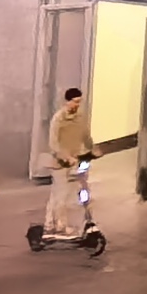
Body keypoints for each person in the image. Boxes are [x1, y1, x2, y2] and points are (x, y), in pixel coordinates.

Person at [44, 85, 91, 244]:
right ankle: (60, 226)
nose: (77, 105)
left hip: (74, 160)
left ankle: (49, 224)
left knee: (58, 195)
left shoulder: (80, 118)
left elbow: (85, 136)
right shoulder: (58, 119)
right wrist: (65, 156)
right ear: (67, 101)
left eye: (79, 102)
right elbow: (53, 143)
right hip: (60, 163)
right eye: (75, 102)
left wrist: (92, 149)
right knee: (61, 195)